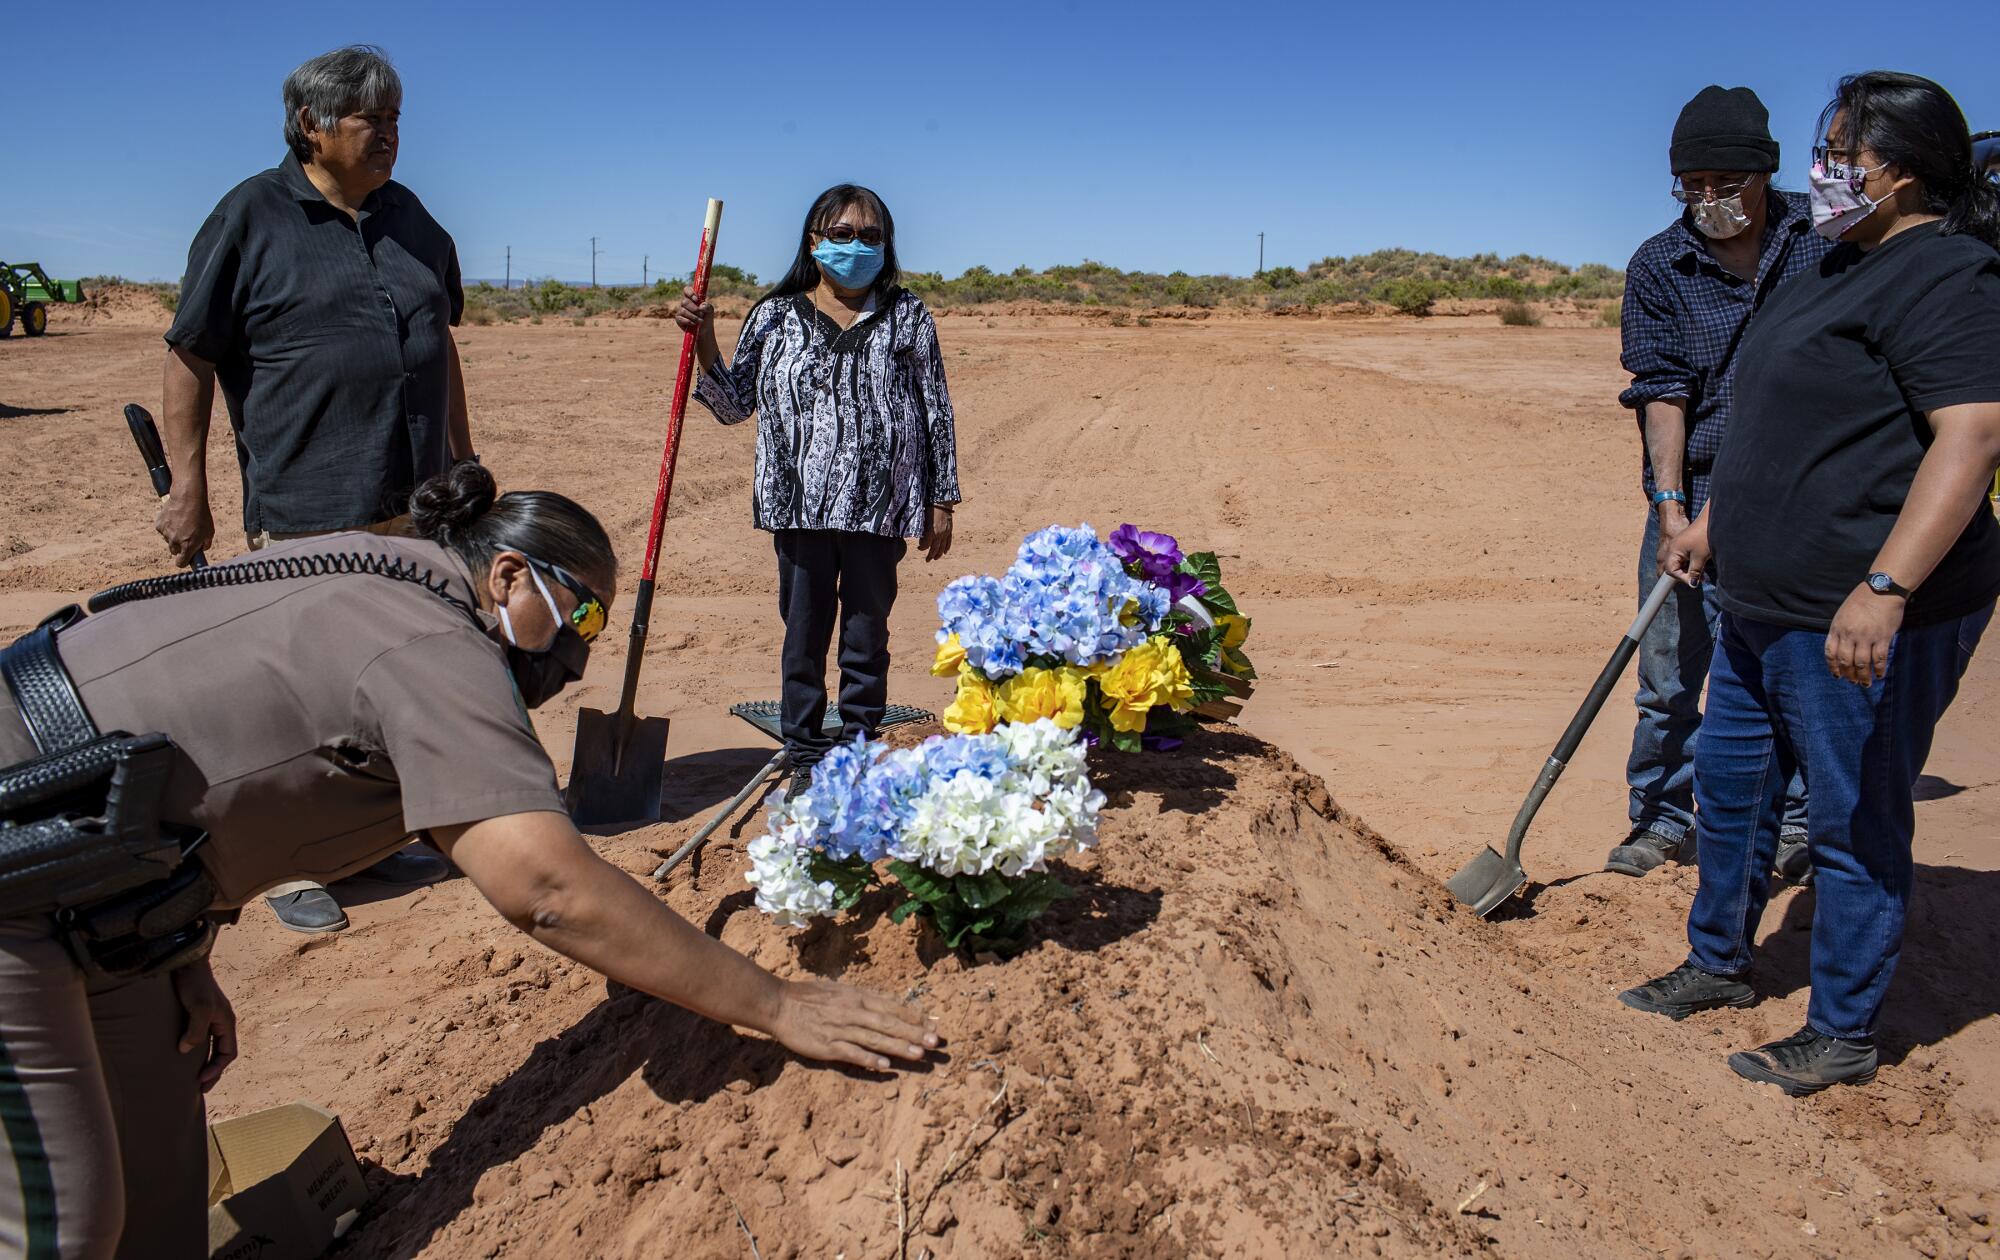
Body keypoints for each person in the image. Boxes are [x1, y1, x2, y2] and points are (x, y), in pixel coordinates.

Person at [0, 464, 940, 1258]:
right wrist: (775, 1005)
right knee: (68, 1225)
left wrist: (184, 948)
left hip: (105, 889)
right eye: (579, 617)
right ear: (505, 576)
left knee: (156, 1195)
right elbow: (547, 889)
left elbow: (214, 758)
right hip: (20, 866)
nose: (579, 654)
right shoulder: (427, 642)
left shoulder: (385, 575)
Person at [1618, 71, 2000, 1094]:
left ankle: (1839, 1028)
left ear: (1900, 170)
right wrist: (1706, 516)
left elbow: (1969, 438)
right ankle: (1716, 963)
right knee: (1734, 792)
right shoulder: (1828, 261)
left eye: (1840, 153)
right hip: (1753, 591)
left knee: (1850, 813)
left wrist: (1883, 587)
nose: (1824, 170)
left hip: (1854, 610)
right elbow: (1766, 416)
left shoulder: (1947, 274)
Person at [155, 45, 475, 932]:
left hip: (414, 503)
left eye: (398, 119)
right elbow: (189, 355)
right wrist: (191, 489)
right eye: (373, 120)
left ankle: (369, 838)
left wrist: (465, 460)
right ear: (313, 125)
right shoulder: (250, 217)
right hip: (306, 508)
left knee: (389, 675)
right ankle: (283, 865)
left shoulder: (411, 219)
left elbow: (438, 341)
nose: (391, 137)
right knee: (290, 691)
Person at [1605, 85, 1830, 881]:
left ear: (1764, 174)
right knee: (1667, 676)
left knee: (1799, 675)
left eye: (1724, 184)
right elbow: (1662, 391)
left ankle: (1801, 823)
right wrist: (1672, 509)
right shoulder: (1660, 263)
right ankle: (1663, 818)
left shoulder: (1828, 241)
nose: (1708, 200)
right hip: (1693, 495)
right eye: (1691, 185)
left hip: (1809, 500)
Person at [679, 185, 962, 789]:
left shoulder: (907, 313)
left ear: (886, 246)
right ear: (814, 241)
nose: (856, 246)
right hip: (798, 503)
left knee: (866, 632)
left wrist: (941, 498)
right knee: (803, 630)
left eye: (870, 236)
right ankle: (805, 747)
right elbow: (735, 406)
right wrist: (703, 340)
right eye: (841, 234)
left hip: (878, 503)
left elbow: (935, 407)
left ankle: (859, 745)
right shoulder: (774, 314)